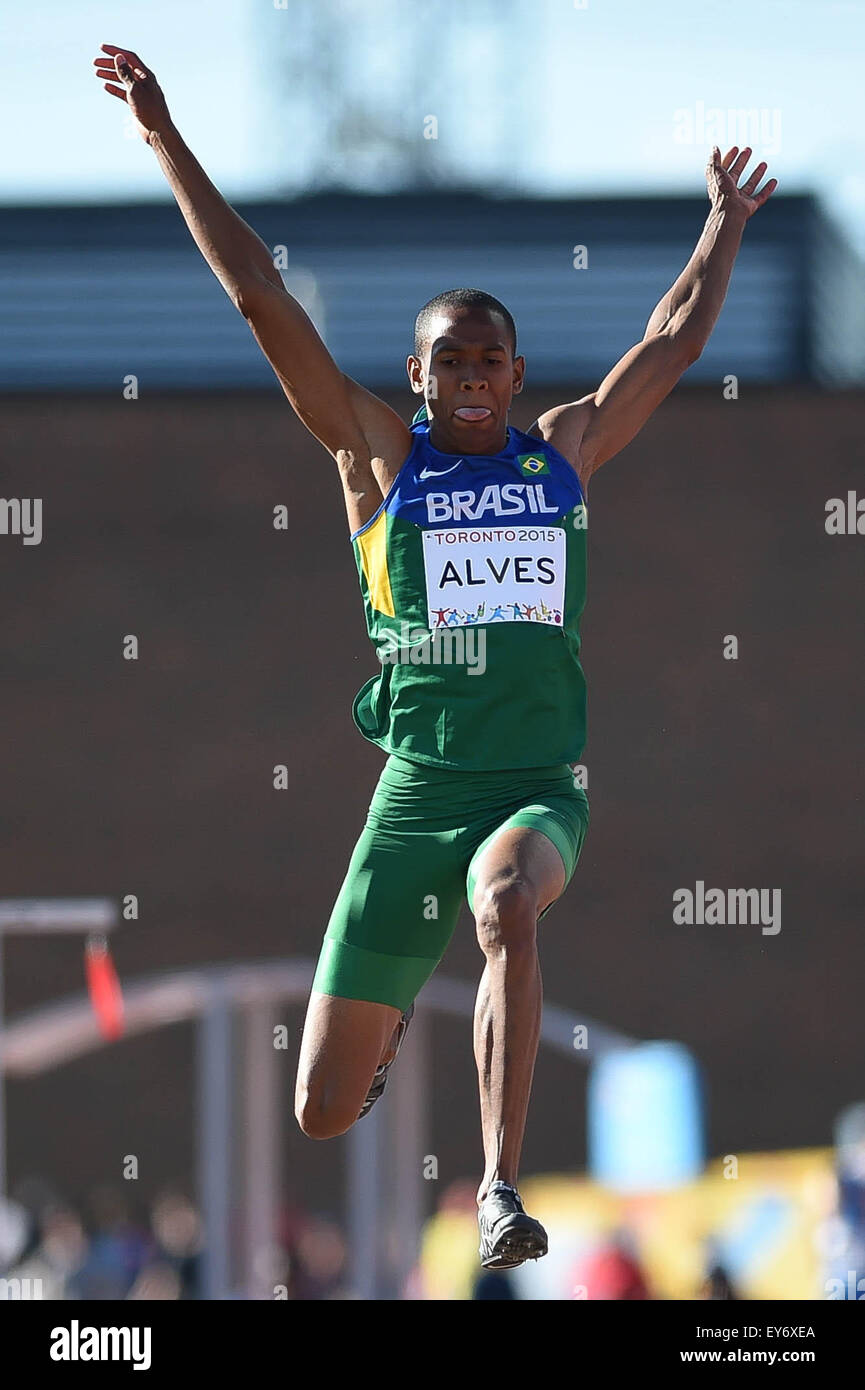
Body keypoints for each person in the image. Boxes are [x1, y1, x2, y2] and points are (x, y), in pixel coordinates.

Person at [93, 44, 777, 1271]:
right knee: (319, 1104)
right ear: (418, 377)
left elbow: (669, 343)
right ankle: (396, 1019)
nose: (470, 376)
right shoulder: (376, 462)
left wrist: (720, 225)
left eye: (488, 359)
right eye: (447, 360)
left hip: (533, 786)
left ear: (516, 375)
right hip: (413, 796)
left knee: (507, 903)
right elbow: (261, 298)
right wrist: (164, 137)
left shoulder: (558, 455)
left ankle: (499, 1188)